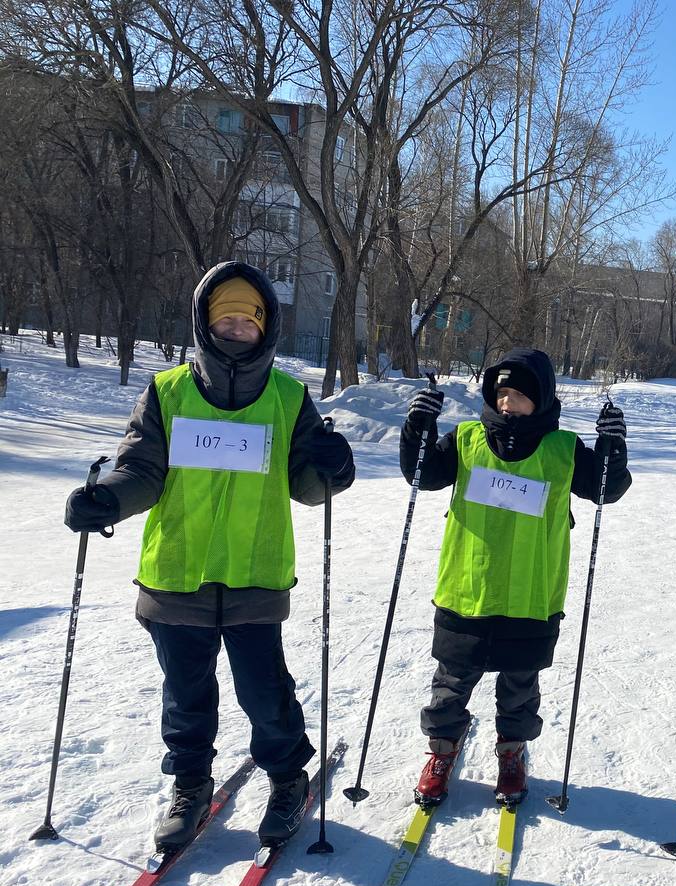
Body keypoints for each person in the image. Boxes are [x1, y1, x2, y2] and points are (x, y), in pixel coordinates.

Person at [63, 262, 356, 850]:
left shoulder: (287, 397)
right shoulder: (166, 391)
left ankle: (287, 777)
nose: (237, 327)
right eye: (226, 316)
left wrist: (334, 468)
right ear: (205, 321)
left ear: (265, 327)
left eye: (249, 318)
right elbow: (141, 471)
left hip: (254, 572)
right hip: (177, 575)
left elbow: (307, 485)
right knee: (186, 694)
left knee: (264, 691)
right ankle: (190, 783)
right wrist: (105, 501)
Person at [399, 348, 630, 806]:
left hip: (531, 593)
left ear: (540, 401)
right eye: (502, 393)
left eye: (520, 396)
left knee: (520, 689)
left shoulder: (562, 449)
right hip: (468, 589)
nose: (507, 404)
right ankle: (441, 753)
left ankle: (512, 752)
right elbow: (422, 474)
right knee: (450, 684)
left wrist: (612, 447)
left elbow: (605, 488)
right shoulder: (467, 439)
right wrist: (418, 430)